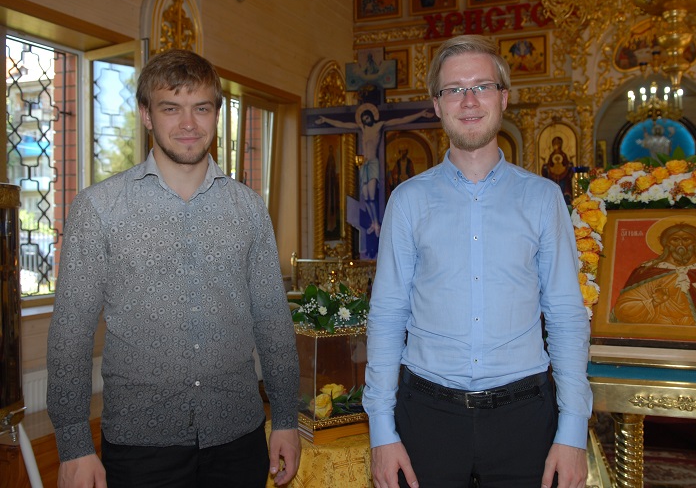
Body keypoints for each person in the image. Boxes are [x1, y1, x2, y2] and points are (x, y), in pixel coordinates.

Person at [47, 49, 301, 488]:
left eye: (201, 108)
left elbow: (273, 322)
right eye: (171, 108)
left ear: (216, 114)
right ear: (146, 115)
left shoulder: (248, 208)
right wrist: (73, 445)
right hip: (140, 447)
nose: (188, 124)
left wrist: (285, 418)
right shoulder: (99, 208)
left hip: (238, 438)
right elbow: (71, 332)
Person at [364, 34, 592, 488]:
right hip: (425, 418)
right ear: (437, 104)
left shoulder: (543, 198)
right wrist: (382, 432)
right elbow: (387, 316)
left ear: (503, 98)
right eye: (454, 89)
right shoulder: (408, 201)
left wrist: (573, 432)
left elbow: (566, 316)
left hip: (525, 419)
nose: (468, 100)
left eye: (482, 86)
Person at [315, 104, 433, 239]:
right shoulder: (361, 128)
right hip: (364, 165)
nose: (365, 120)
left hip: (373, 164)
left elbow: (399, 120)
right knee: (366, 196)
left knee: (371, 194)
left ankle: (377, 222)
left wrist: (420, 114)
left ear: (372, 117)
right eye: (363, 119)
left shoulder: (379, 126)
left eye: (367, 117)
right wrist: (326, 120)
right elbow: (343, 124)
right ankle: (374, 222)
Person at [541, 135, 574, 204]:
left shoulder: (563, 155)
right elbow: (548, 167)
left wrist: (569, 166)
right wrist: (545, 167)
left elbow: (567, 166)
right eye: (555, 143)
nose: (557, 145)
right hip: (552, 178)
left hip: (564, 179)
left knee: (563, 193)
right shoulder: (551, 155)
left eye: (558, 143)